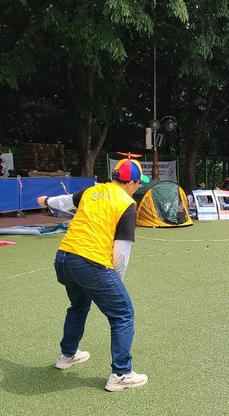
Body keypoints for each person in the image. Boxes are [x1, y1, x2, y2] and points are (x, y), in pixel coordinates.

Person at [36, 158, 150, 392]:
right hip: (90, 262)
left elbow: (65, 201)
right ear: (130, 183)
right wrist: (116, 281)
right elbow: (121, 252)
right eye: (139, 184)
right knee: (123, 315)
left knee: (78, 307)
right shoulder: (127, 204)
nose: (138, 188)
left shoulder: (92, 191)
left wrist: (46, 201)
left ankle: (68, 355)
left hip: (64, 258)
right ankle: (121, 374)